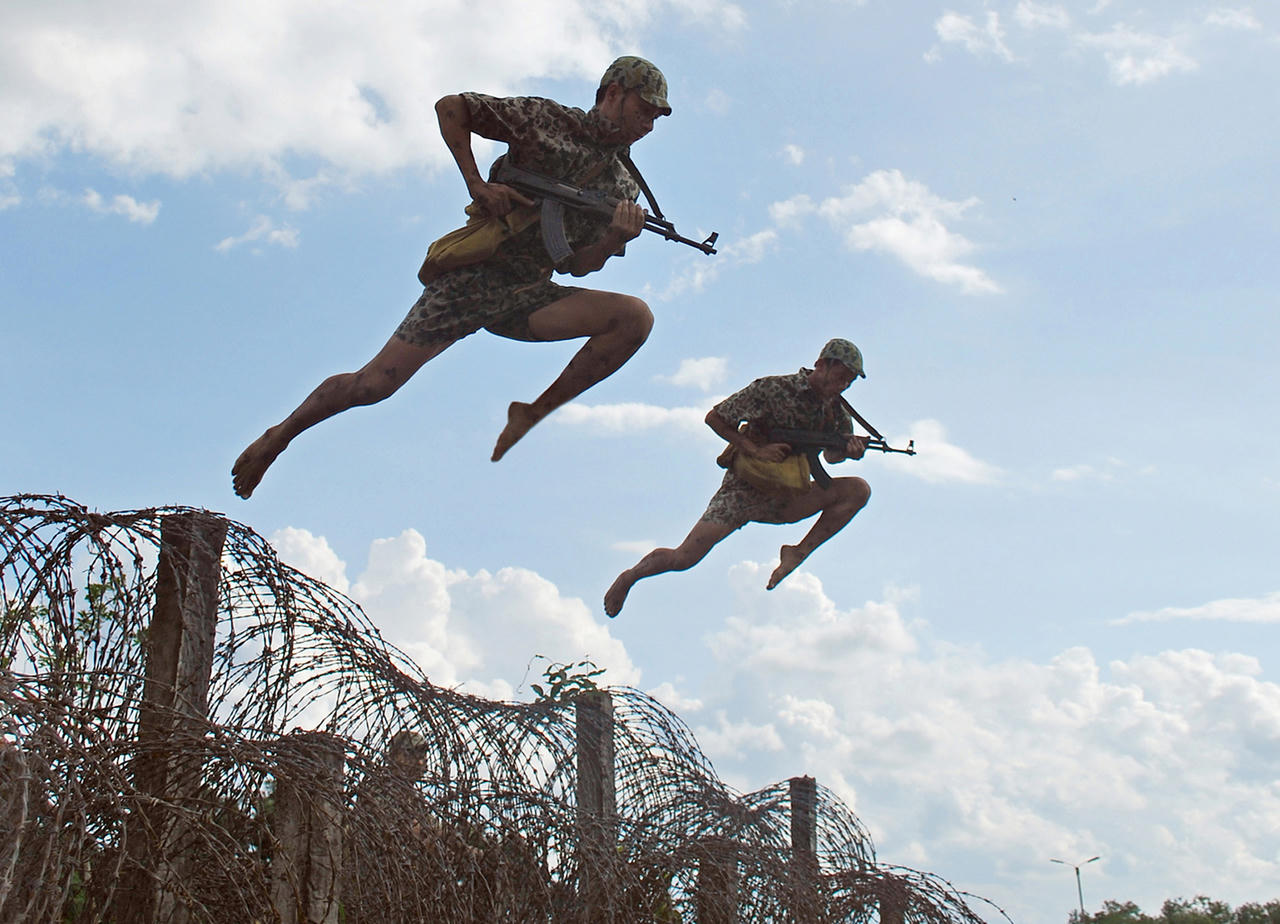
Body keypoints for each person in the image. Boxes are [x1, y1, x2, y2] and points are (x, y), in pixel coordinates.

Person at [232, 56, 672, 498]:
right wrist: (476, 183)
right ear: (613, 93)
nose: (648, 125)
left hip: (529, 295)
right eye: (644, 109)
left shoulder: (623, 187)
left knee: (635, 317)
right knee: (373, 385)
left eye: (656, 116)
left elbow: (575, 264)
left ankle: (535, 411)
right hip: (471, 281)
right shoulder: (549, 122)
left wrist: (614, 235)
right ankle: (280, 436)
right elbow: (451, 108)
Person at [604, 339, 874, 618]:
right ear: (822, 364)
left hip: (787, 495)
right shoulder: (773, 388)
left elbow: (831, 457)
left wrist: (849, 452)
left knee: (858, 490)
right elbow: (716, 417)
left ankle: (797, 553)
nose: (844, 385)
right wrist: (755, 450)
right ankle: (630, 577)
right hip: (742, 491)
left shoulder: (836, 412)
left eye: (850, 382)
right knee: (683, 558)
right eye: (842, 376)